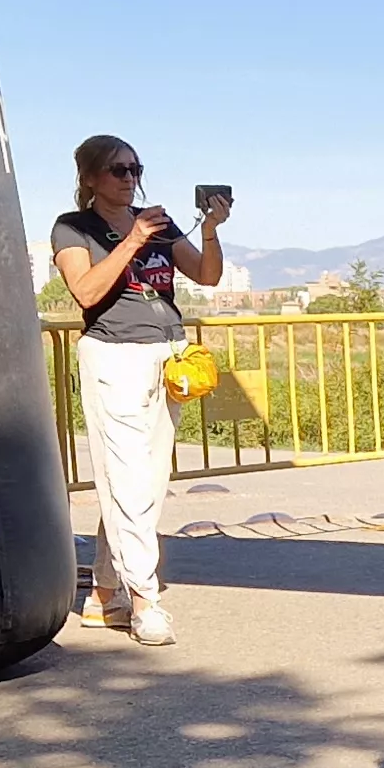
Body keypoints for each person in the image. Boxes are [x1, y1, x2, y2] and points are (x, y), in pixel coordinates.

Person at [49, 134, 227, 647]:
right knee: (126, 479)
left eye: (135, 169)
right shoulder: (73, 227)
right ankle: (145, 600)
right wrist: (131, 241)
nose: (129, 179)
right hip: (115, 354)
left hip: (166, 354)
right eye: (117, 170)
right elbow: (85, 291)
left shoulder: (157, 223)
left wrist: (209, 230)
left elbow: (206, 275)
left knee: (145, 482)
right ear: (90, 178)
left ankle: (106, 592)